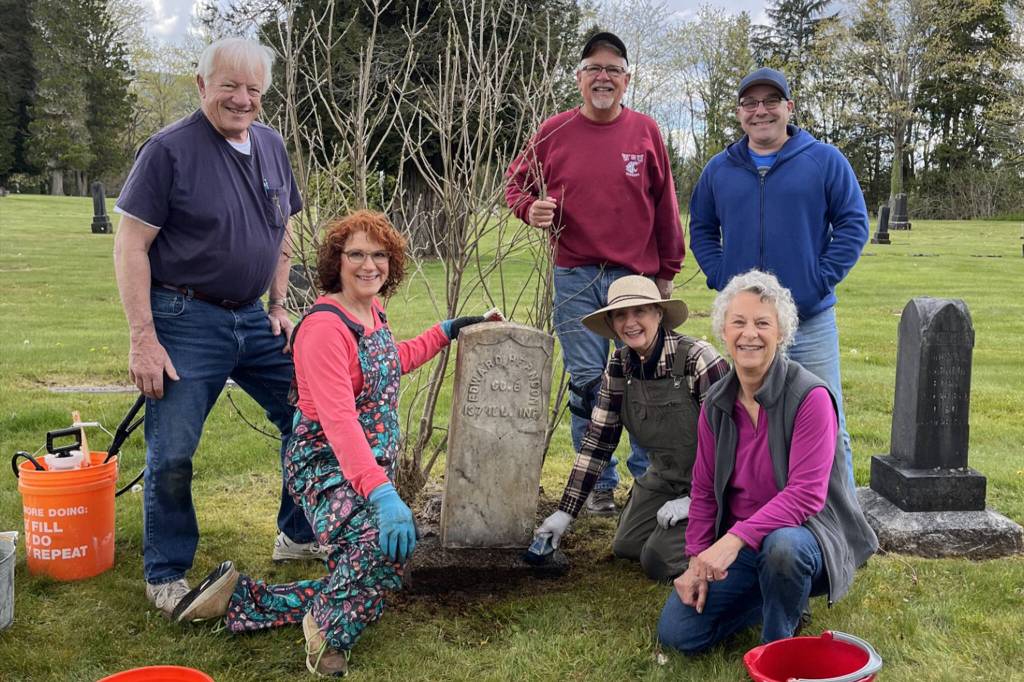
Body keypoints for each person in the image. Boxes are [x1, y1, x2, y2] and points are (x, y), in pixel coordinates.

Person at [166, 211, 490, 677]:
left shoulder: (371, 311)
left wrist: (445, 331)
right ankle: (326, 629)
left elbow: (386, 363)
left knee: (386, 564)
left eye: (379, 255)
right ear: (335, 261)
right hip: (324, 464)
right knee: (381, 552)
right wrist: (382, 494)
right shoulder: (323, 328)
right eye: (356, 254)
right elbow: (338, 422)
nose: (369, 265)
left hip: (363, 466)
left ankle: (237, 598)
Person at [113, 37, 320, 617]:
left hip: (254, 317)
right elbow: (130, 246)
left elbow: (283, 232)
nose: (242, 98)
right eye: (229, 84)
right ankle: (167, 573)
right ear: (202, 85)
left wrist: (281, 305)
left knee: (310, 414)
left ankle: (297, 535)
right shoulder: (168, 150)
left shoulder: (274, 146)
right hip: (183, 318)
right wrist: (143, 338)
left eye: (254, 89)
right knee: (173, 450)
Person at [506, 31, 684, 515]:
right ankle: (599, 486)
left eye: (612, 69)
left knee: (647, 379)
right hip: (575, 275)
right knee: (588, 382)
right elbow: (516, 184)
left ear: (626, 80)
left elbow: (665, 204)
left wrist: (667, 271)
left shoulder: (646, 131)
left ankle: (647, 482)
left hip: (635, 277)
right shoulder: (553, 131)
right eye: (593, 69)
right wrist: (530, 209)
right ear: (580, 78)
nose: (602, 77)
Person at [656, 270, 877, 653]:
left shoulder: (810, 397)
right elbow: (705, 491)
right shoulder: (715, 405)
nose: (749, 334)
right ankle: (777, 595)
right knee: (678, 635)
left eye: (762, 323)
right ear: (724, 332)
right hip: (745, 546)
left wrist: (733, 540)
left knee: (783, 549)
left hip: (807, 537)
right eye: (738, 323)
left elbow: (805, 497)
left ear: (782, 333)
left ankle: (777, 647)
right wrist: (696, 561)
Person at [688, 67, 869, 488]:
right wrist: (720, 277)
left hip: (809, 320)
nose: (761, 111)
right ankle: (761, 517)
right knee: (752, 423)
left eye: (771, 101)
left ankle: (842, 527)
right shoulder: (720, 170)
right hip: (748, 328)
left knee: (828, 420)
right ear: (739, 113)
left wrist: (818, 280)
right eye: (750, 103)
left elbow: (853, 223)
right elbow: (701, 227)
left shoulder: (824, 161)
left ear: (789, 107)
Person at [533, 277, 729, 581]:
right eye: (621, 315)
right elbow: (598, 443)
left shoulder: (697, 359)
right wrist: (566, 512)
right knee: (627, 546)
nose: (631, 322)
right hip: (664, 477)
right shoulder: (618, 366)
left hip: (718, 482)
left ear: (659, 314)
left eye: (640, 311)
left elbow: (732, 443)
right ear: (611, 323)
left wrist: (697, 499)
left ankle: (729, 535)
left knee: (658, 560)